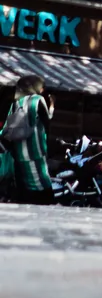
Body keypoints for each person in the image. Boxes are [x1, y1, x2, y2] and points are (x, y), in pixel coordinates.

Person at [2, 76, 53, 204]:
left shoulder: (16, 104)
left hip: (19, 155)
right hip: (35, 153)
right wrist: (51, 106)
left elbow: (7, 129)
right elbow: (47, 122)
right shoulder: (38, 100)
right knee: (43, 190)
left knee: (25, 191)